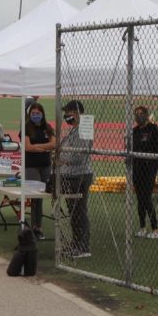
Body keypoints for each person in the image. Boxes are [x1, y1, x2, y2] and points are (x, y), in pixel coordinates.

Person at [58, 99, 94, 258]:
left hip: (80, 175)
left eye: (69, 113)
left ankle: (83, 247)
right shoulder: (74, 129)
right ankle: (76, 243)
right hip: (70, 175)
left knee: (79, 211)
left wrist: (62, 158)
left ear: (77, 113)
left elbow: (80, 156)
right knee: (73, 212)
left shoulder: (84, 128)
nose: (66, 116)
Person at [23, 101, 56, 240]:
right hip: (31, 166)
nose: (36, 115)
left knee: (44, 195)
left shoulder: (47, 128)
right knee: (35, 196)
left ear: (42, 114)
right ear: (29, 114)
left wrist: (38, 146)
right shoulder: (26, 128)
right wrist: (44, 147)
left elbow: (54, 144)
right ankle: (34, 227)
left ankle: (39, 227)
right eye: (33, 113)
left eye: (38, 113)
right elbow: (27, 147)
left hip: (45, 165)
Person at [131, 106, 158, 239]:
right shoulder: (134, 131)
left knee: (146, 197)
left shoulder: (153, 129)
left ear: (146, 115)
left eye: (141, 114)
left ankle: (155, 228)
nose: (139, 116)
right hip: (137, 168)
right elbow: (133, 148)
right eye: (136, 114)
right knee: (140, 199)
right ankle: (142, 227)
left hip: (149, 168)